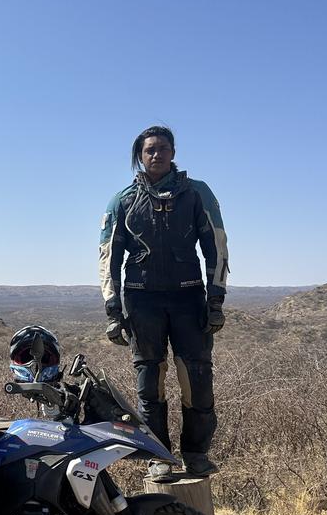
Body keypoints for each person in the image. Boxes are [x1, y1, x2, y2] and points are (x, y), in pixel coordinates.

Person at [98, 125, 229, 481]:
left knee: (197, 378)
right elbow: (108, 256)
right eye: (149, 150)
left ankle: (196, 453)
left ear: (173, 152)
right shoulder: (122, 200)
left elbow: (215, 245)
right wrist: (113, 310)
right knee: (149, 382)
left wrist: (215, 299)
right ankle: (159, 456)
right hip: (142, 302)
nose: (156, 155)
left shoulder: (196, 193)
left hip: (189, 298)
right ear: (140, 156)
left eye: (162, 149)